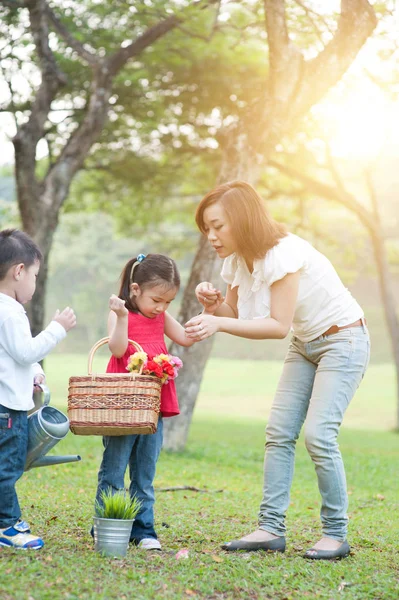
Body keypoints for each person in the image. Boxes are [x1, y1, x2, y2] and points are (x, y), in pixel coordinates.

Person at [185, 181, 370, 561]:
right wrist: (215, 305)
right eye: (207, 228)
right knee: (279, 433)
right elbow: (235, 316)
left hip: (344, 340)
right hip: (306, 344)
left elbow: (276, 325)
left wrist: (217, 324)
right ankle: (270, 529)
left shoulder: (284, 253)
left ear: (242, 219)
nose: (212, 236)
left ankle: (336, 534)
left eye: (218, 226)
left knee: (319, 435)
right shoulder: (238, 259)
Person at [94, 253, 194, 551]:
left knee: (145, 469)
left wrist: (211, 311)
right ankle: (106, 524)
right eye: (156, 300)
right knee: (114, 468)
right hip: (124, 404)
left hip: (152, 404)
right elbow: (117, 348)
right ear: (135, 289)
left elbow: (185, 338)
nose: (161, 307)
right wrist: (122, 317)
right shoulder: (120, 311)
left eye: (168, 302)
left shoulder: (160, 316)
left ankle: (144, 529)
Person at [0, 229, 76, 550]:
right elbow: (26, 350)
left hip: (7, 403)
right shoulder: (10, 311)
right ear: (19, 271)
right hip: (7, 409)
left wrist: (33, 372)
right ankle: (7, 526)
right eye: (34, 275)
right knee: (7, 468)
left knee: (8, 465)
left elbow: (13, 354)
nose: (34, 282)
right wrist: (57, 329)